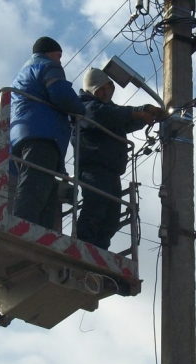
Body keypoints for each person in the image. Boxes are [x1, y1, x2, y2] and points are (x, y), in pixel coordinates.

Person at [73, 67, 165, 250]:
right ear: (92, 88)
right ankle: (82, 248)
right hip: (93, 169)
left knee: (111, 217)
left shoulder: (108, 110)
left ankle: (99, 250)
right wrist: (139, 112)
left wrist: (148, 114)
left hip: (111, 171)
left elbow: (122, 118)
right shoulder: (84, 106)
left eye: (108, 88)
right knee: (94, 210)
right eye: (102, 89)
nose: (106, 92)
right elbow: (110, 115)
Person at [10, 36, 85, 230]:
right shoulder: (48, 66)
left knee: (42, 188)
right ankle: (24, 229)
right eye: (59, 56)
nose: (60, 61)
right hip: (43, 135)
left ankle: (38, 229)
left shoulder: (22, 73)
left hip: (24, 136)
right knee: (34, 189)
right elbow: (61, 94)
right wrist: (81, 110)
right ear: (50, 53)